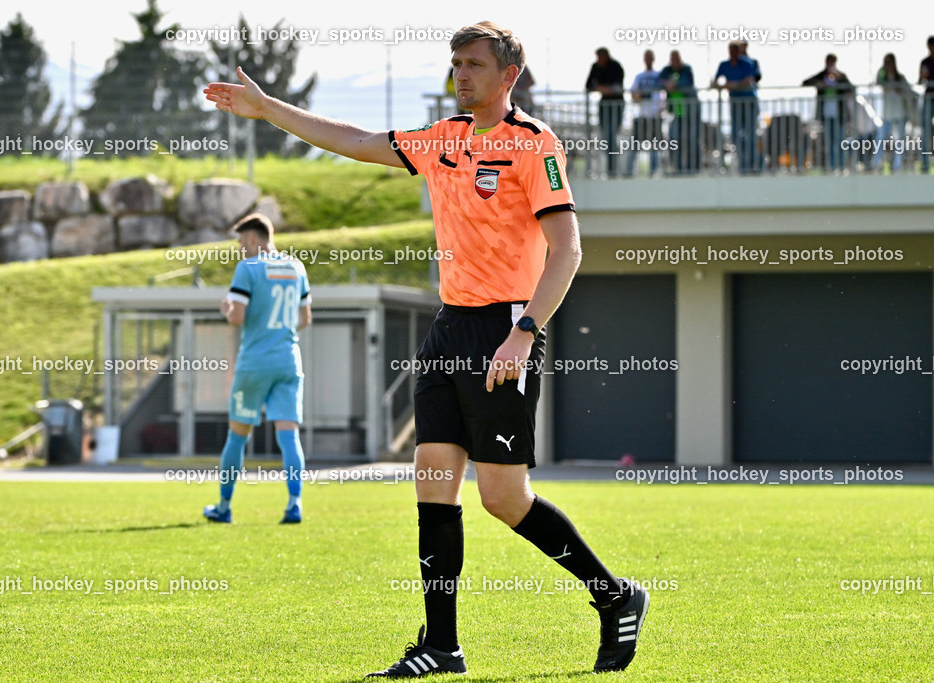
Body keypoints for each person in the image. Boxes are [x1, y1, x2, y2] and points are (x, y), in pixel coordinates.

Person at [204, 19, 649, 678]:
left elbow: (567, 249)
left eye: (472, 64)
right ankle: (442, 644)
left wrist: (523, 332)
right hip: (450, 329)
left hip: (503, 327)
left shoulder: (534, 145)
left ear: (508, 76)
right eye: (455, 63)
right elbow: (354, 140)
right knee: (433, 485)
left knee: (502, 497)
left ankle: (615, 595)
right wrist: (269, 109)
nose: (460, 73)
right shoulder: (441, 140)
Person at [203, 213, 312, 525]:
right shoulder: (296, 267)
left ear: (253, 239)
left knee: (237, 436)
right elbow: (305, 319)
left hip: (254, 363)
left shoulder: (248, 268)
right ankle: (295, 504)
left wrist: (226, 309)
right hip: (289, 361)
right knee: (289, 437)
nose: (239, 249)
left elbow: (237, 317)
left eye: (240, 243)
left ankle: (224, 507)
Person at [712, 41, 760, 173]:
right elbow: (715, 82)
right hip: (735, 104)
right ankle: (741, 164)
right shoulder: (724, 64)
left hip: (749, 102)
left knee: (750, 134)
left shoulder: (747, 63)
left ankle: (751, 164)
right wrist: (728, 85)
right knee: (736, 134)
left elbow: (749, 81)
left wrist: (731, 85)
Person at [802, 54, 854, 171]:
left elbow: (851, 88)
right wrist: (819, 84)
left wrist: (839, 80)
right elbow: (805, 82)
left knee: (840, 141)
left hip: (839, 116)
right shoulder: (821, 76)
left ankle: (841, 166)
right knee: (829, 142)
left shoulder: (841, 76)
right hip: (826, 115)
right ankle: (831, 166)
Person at [585, 47, 626, 178]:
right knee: (605, 136)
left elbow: (616, 88)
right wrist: (603, 89)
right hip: (604, 105)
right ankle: (610, 167)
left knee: (611, 135)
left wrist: (600, 88)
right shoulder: (595, 67)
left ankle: (613, 168)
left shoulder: (616, 67)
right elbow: (588, 85)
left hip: (616, 105)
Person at [659, 50, 700, 173]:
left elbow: (688, 83)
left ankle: (692, 167)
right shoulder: (667, 70)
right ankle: (677, 167)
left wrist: (674, 84)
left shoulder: (687, 69)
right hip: (677, 112)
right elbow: (659, 81)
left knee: (691, 138)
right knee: (674, 138)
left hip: (690, 111)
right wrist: (667, 83)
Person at [627, 49, 663, 176]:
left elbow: (664, 93)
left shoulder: (659, 75)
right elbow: (633, 94)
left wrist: (661, 107)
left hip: (655, 116)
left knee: (655, 145)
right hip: (642, 116)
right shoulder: (639, 76)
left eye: (650, 57)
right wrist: (638, 96)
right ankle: (629, 171)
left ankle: (653, 172)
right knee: (635, 144)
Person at [873, 53, 911, 172]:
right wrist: (882, 68)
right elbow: (878, 80)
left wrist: (898, 89)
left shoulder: (900, 77)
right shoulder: (883, 77)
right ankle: (876, 162)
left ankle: (898, 164)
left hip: (899, 112)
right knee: (881, 137)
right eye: (886, 63)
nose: (887, 65)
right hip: (887, 113)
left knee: (899, 139)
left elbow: (907, 90)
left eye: (889, 63)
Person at [919, 36, 934, 173]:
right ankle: (925, 164)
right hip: (929, 97)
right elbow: (920, 80)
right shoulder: (925, 62)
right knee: (926, 130)